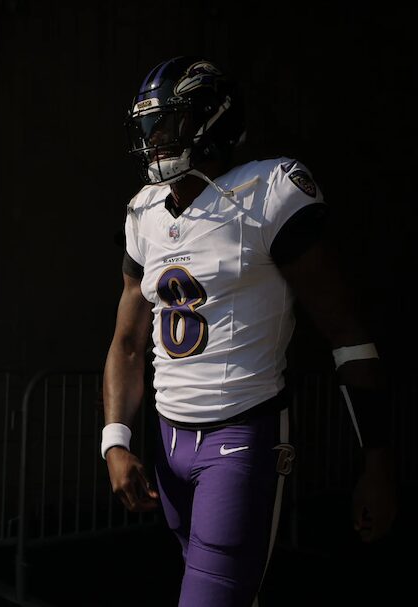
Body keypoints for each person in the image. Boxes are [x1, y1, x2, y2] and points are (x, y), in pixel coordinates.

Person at [100, 55, 398, 606]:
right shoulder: (143, 213)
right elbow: (127, 341)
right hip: (168, 442)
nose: (155, 138)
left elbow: (347, 336)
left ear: (213, 122)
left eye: (169, 122)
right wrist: (115, 438)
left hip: (242, 436)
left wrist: (377, 462)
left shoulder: (268, 191)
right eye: (148, 125)